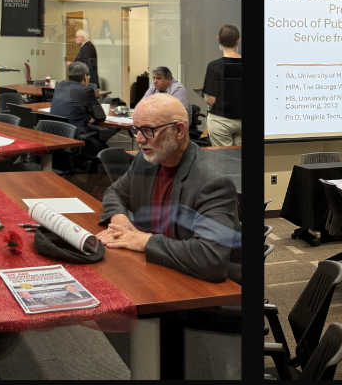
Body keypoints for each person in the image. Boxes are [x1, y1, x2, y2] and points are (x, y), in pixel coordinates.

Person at [95, 95, 239, 282]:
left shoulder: (212, 182)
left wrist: (143, 241)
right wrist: (120, 219)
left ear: (178, 130)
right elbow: (115, 192)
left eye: (147, 130)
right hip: (156, 268)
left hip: (198, 285)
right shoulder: (145, 160)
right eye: (135, 129)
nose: (138, 139)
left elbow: (210, 257)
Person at [48, 61, 109, 161]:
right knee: (104, 150)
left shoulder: (59, 86)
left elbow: (71, 107)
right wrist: (90, 114)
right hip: (75, 138)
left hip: (56, 135)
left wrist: (86, 113)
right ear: (85, 77)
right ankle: (94, 176)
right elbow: (101, 116)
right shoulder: (86, 91)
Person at [202, 24, 242, 146]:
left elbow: (210, 99)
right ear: (238, 40)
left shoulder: (214, 66)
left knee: (225, 162)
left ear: (218, 40)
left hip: (221, 122)